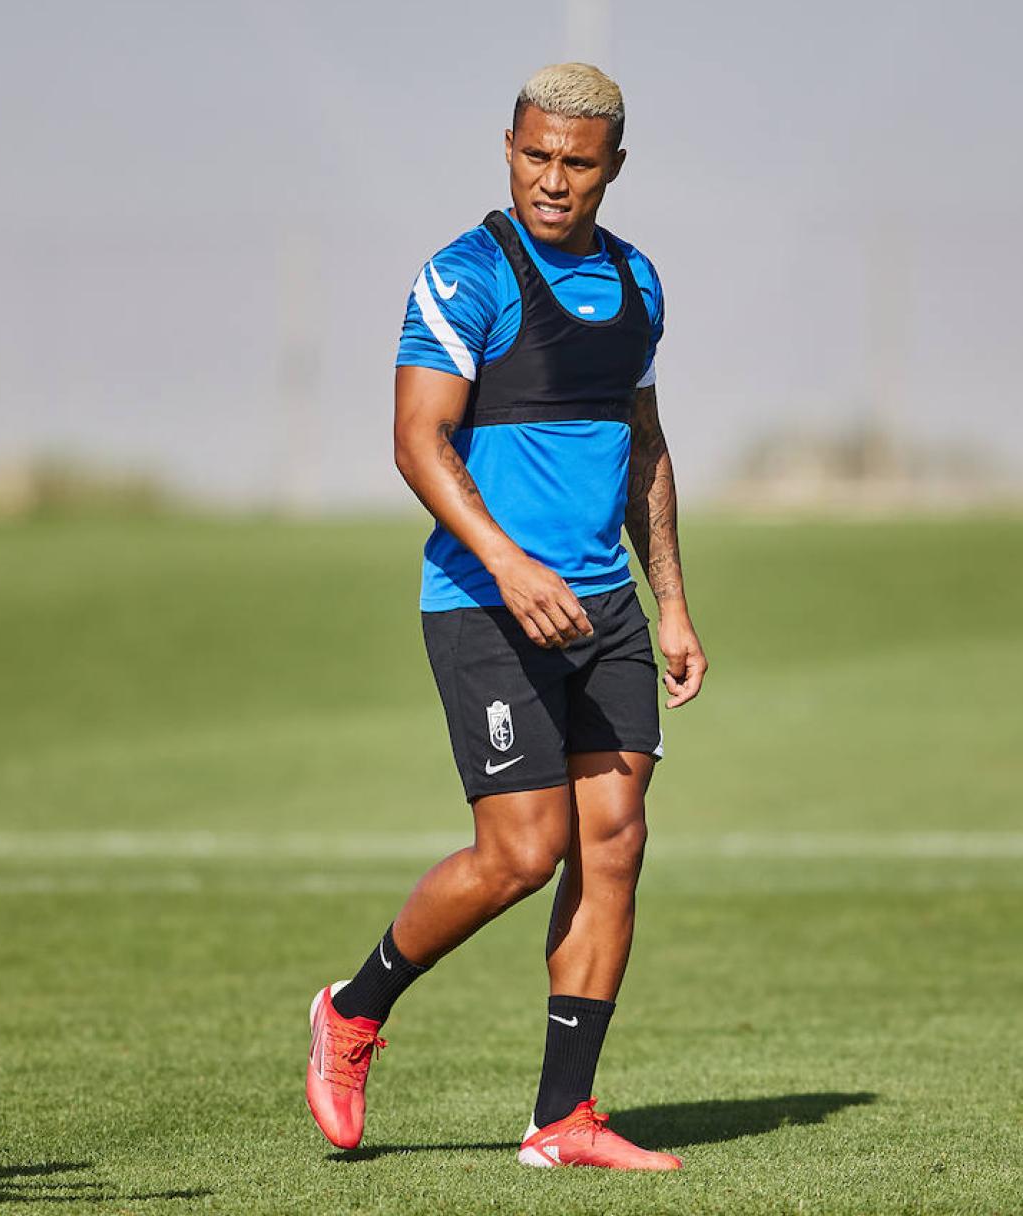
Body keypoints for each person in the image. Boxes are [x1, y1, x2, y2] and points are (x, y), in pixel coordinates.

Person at [304, 63, 706, 1171]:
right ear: (509, 147)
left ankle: (563, 1117)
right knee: (524, 851)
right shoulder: (465, 275)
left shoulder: (637, 282)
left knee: (614, 844)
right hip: (486, 604)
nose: (553, 181)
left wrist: (672, 602)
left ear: (613, 167)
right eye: (536, 155)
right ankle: (353, 1009)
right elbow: (416, 440)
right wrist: (509, 564)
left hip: (605, 608)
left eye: (578, 163)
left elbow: (645, 446)